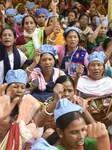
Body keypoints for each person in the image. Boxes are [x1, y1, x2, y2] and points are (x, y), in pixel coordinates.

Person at [31, 98, 110, 150]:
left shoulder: (85, 142)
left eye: (83, 130)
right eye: (74, 132)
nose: (81, 136)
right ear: (60, 132)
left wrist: (103, 137)